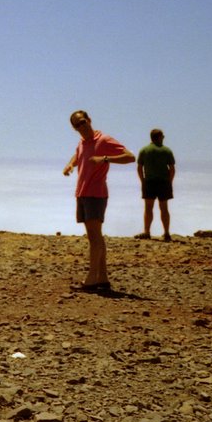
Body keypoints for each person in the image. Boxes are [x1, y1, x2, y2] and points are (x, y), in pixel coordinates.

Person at [62, 110, 135, 292]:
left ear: (89, 120)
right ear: (74, 128)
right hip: (83, 193)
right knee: (96, 237)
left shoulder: (103, 140)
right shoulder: (83, 142)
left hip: (96, 193)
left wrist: (104, 159)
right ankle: (102, 278)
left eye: (83, 121)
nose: (82, 126)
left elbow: (130, 157)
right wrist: (71, 164)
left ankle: (91, 280)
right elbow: (79, 154)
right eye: (77, 124)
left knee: (94, 238)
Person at [135, 128, 176, 242]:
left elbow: (139, 167)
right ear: (158, 137)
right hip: (163, 182)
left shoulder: (144, 150)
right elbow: (172, 169)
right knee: (164, 208)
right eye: (162, 136)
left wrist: (142, 180)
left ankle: (147, 232)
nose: (163, 138)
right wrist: (170, 182)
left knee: (148, 208)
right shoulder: (166, 150)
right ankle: (166, 233)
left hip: (149, 182)